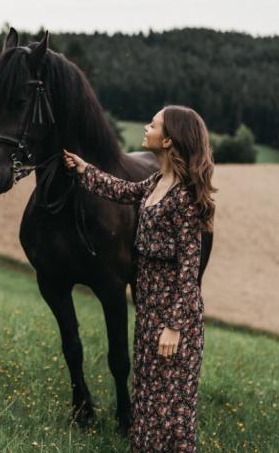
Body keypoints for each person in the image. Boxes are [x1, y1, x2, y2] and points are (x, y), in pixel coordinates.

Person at [62, 105, 216, 452]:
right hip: (149, 308)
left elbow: (190, 270)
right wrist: (85, 169)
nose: (146, 127)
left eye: (154, 124)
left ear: (169, 140)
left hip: (174, 317)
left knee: (171, 407)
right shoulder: (158, 182)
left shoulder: (185, 199)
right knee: (146, 397)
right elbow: (121, 190)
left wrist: (175, 326)